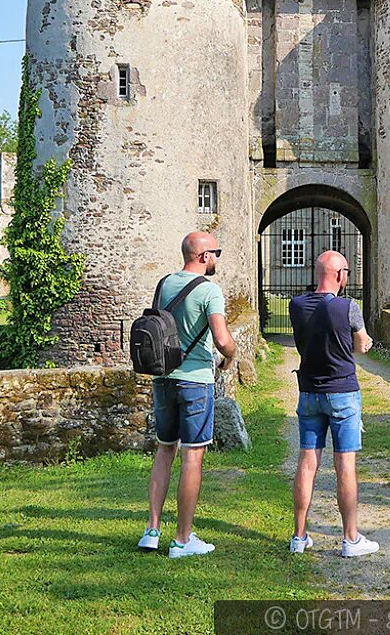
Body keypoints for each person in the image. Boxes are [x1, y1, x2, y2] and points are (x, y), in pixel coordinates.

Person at [137, 231, 237, 558]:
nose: (217, 258)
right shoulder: (209, 290)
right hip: (194, 380)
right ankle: (182, 539)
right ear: (204, 256)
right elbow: (222, 339)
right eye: (215, 252)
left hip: (163, 377)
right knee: (192, 456)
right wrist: (231, 355)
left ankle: (152, 530)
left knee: (165, 449)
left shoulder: (164, 284)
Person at [287, 250, 378, 558]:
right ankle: (350, 539)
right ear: (340, 275)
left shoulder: (296, 305)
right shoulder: (348, 307)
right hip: (342, 391)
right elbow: (361, 345)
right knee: (345, 465)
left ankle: (299, 536)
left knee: (307, 463)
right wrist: (360, 342)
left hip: (309, 392)